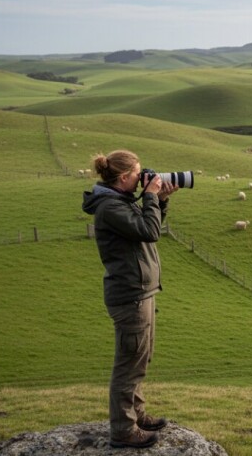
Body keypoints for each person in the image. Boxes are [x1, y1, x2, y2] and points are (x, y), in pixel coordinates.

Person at [82, 149, 179, 449]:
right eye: (137, 175)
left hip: (141, 292)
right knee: (128, 363)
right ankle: (123, 430)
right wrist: (150, 196)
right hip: (130, 295)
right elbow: (149, 232)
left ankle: (136, 414)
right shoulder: (109, 207)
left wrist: (160, 200)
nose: (142, 179)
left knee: (141, 358)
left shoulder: (121, 201)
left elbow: (147, 229)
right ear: (124, 178)